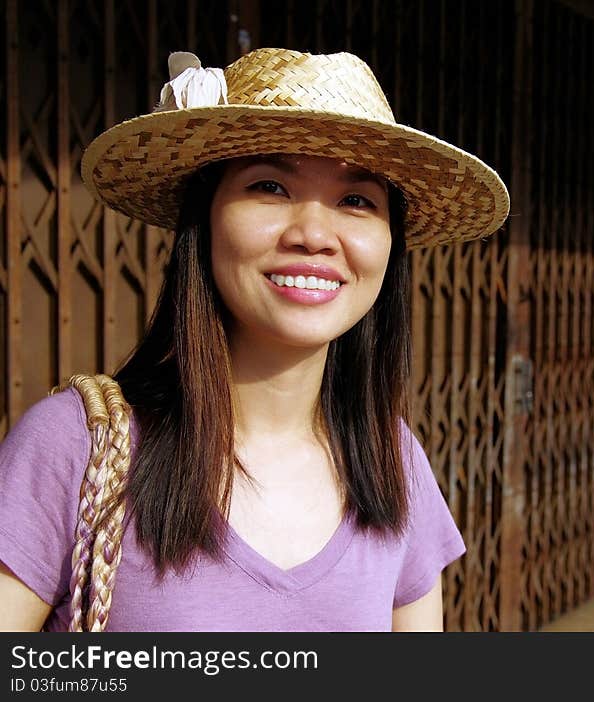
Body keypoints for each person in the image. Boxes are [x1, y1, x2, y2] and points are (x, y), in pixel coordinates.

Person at [0, 48, 509, 631]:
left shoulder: (394, 461)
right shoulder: (74, 448)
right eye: (270, 186)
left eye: (356, 201)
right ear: (206, 217)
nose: (315, 234)